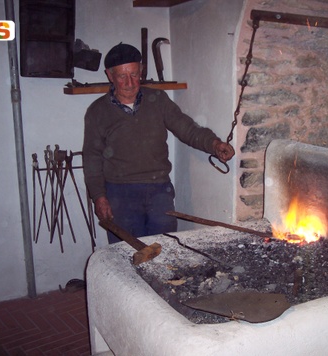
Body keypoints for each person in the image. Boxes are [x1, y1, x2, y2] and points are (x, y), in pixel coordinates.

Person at [83, 43, 235, 244]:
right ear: (110, 76)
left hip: (158, 190)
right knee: (127, 253)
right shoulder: (97, 111)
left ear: (141, 71)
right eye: (122, 76)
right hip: (120, 194)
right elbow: (92, 158)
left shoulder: (158, 99)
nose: (130, 82)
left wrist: (214, 144)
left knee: (164, 249)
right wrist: (99, 196)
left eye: (135, 74)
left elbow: (186, 128)